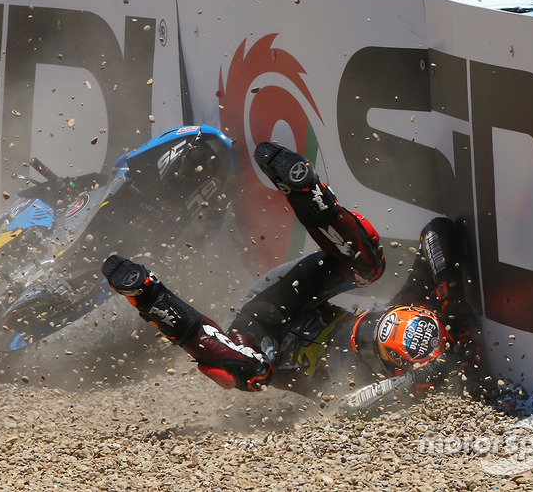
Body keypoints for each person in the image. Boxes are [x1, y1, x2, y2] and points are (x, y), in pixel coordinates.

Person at [102, 141, 477, 413]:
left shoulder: (359, 390)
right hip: (294, 296)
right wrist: (452, 292)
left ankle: (148, 295)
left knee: (243, 372)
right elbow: (437, 230)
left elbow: (348, 411)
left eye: (365, 344)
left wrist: (412, 379)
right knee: (367, 266)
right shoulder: (425, 314)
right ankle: (306, 190)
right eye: (372, 323)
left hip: (265, 334)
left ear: (378, 368)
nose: (360, 332)